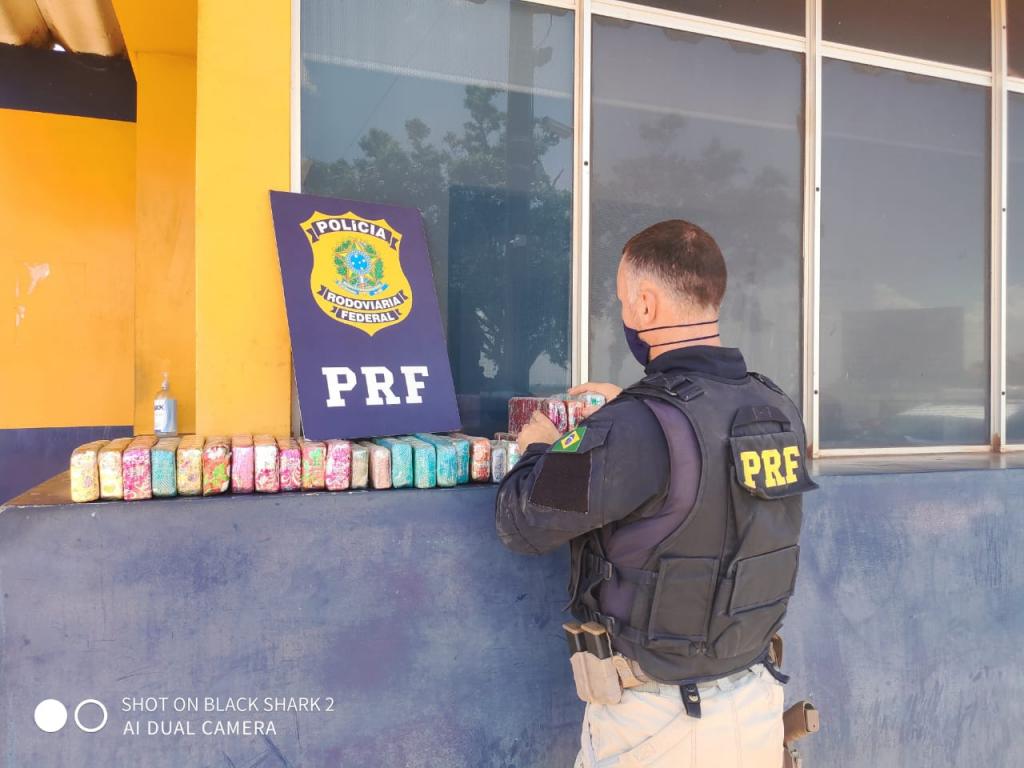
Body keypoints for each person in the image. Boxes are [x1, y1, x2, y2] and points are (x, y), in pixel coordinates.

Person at [494, 220, 817, 767]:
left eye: (623, 302)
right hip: (757, 708)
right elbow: (701, 475)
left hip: (663, 726)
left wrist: (539, 448)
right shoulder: (776, 407)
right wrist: (628, 411)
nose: (624, 314)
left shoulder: (636, 426)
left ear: (645, 305)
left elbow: (522, 521)